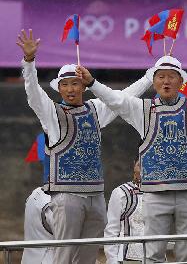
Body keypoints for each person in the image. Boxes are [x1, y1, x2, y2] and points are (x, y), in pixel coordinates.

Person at [78, 55, 187, 262]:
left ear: (181, 82)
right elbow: (116, 99)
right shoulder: (142, 110)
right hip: (155, 192)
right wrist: (92, 83)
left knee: (186, 253)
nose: (166, 81)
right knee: (153, 253)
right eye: (160, 77)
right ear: (154, 82)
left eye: (172, 77)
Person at [17, 29, 152, 264]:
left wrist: (149, 78)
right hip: (66, 196)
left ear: (84, 86)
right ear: (59, 88)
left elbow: (123, 98)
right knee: (65, 255)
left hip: (96, 195)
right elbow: (33, 94)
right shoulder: (53, 114)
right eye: (66, 85)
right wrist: (29, 62)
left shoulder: (95, 110)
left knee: (89, 256)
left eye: (75, 84)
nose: (70, 89)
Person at [104, 158, 145, 264]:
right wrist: (112, 260)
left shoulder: (161, 194)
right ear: (134, 166)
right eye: (140, 165)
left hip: (155, 257)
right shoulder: (121, 193)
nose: (143, 169)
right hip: (128, 259)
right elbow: (111, 231)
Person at [21, 187, 54, 264]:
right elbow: (65, 232)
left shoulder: (36, 193)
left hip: (29, 258)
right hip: (48, 258)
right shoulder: (51, 202)